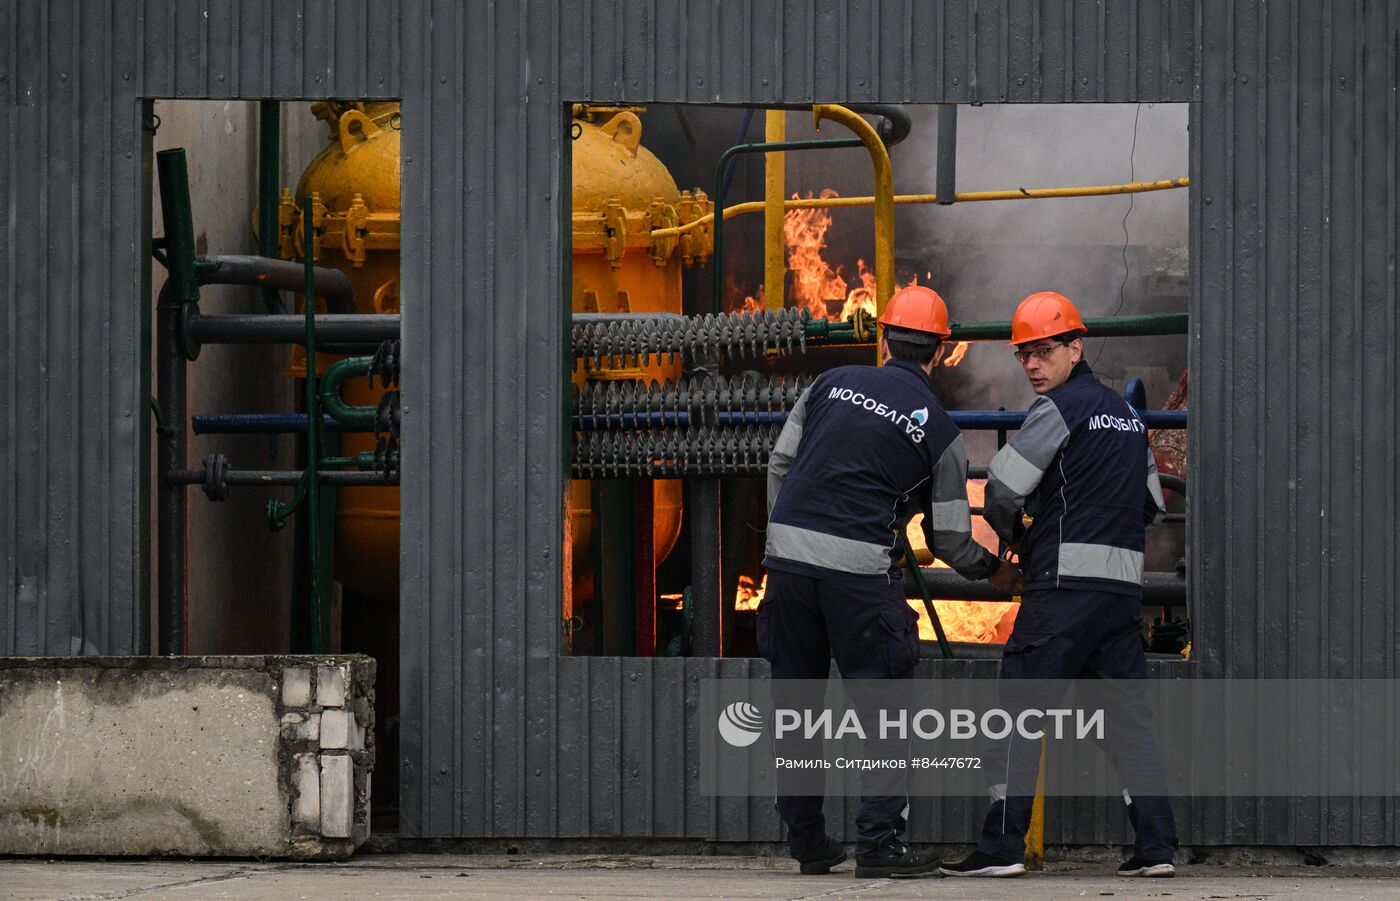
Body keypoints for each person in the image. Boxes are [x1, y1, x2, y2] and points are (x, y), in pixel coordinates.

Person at [760, 285, 1019, 878]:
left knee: (795, 708)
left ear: (882, 337)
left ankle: (809, 845)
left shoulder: (827, 384)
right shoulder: (942, 434)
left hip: (789, 568)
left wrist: (785, 541)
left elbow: (779, 463)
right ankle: (879, 845)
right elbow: (952, 539)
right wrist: (995, 571)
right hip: (858, 579)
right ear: (940, 350)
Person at [938, 291, 1178, 879]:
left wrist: (1018, 530)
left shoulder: (1059, 408)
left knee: (1016, 716)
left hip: (1062, 590)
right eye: (1024, 355)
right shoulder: (1128, 418)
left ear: (1076, 347)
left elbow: (1000, 488)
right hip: (1120, 596)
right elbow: (1152, 504)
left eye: (1044, 351)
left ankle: (1000, 850)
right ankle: (1156, 850)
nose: (1032, 365)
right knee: (1126, 724)